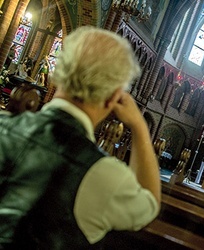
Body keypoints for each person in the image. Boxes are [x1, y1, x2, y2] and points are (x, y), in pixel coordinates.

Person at [0, 26, 161, 249]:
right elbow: (149, 205)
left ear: (56, 73)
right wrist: (140, 127)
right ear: (115, 97)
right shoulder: (105, 175)